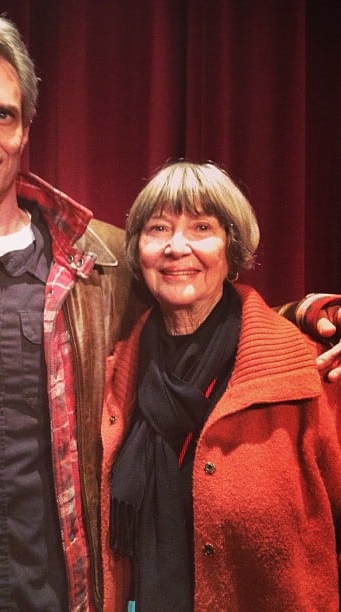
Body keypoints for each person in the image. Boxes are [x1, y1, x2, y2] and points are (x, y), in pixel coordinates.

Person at [0, 8, 341, 611]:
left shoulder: (105, 261)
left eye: (3, 114)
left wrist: (311, 314)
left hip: (61, 596)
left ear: (25, 129)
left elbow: (207, 312)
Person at [101, 161, 340, 611]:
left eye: (201, 227)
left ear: (232, 247)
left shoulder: (306, 368)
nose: (177, 247)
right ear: (138, 251)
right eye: (158, 229)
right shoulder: (116, 375)